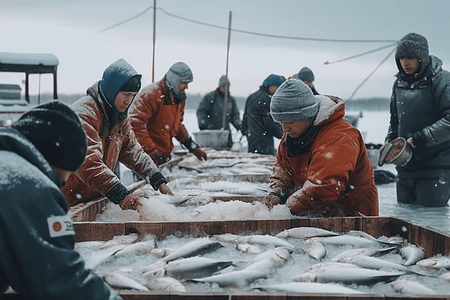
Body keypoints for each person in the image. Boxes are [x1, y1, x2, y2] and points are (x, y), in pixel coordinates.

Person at [0, 101, 121, 299]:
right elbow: (61, 279)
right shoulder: (28, 184)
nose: (59, 187)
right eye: (60, 179)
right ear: (57, 159)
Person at [62, 58, 172, 210]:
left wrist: (156, 178)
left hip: (94, 198)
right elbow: (87, 161)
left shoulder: (118, 118)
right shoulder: (84, 114)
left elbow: (133, 151)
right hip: (67, 201)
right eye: (126, 94)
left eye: (133, 95)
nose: (129, 101)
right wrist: (118, 192)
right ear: (111, 90)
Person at [262, 79, 378, 217]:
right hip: (316, 212)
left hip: (352, 215)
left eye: (290, 121)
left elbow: (323, 187)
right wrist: (278, 192)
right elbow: (283, 167)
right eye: (281, 122)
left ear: (307, 114)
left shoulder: (339, 135)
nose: (285, 128)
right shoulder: (292, 134)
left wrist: (286, 209)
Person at [379, 32, 450, 207]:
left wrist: (420, 138)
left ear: (422, 58)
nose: (405, 62)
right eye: (401, 57)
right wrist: (390, 141)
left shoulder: (442, 81)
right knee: (405, 221)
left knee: (430, 221)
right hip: (405, 167)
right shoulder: (398, 84)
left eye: (410, 57)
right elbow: (395, 121)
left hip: (436, 167)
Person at [129, 62, 207, 165]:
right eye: (184, 83)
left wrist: (192, 146)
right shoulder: (151, 94)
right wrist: (151, 152)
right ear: (174, 81)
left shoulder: (179, 99)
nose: (186, 87)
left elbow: (177, 126)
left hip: (163, 157)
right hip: (144, 159)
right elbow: (135, 124)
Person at [196, 75, 244, 148]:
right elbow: (201, 111)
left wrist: (239, 126)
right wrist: (203, 123)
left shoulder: (231, 100)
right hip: (212, 132)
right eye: (223, 86)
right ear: (219, 86)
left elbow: (235, 116)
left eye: (227, 86)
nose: (225, 88)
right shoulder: (211, 97)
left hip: (226, 133)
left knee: (227, 152)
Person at [242, 74, 285, 155]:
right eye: (278, 87)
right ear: (271, 86)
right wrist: (282, 134)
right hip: (264, 142)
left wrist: (246, 132)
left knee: (253, 165)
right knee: (264, 165)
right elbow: (270, 122)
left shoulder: (251, 97)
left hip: (252, 141)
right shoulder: (267, 99)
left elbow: (245, 119)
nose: (278, 91)